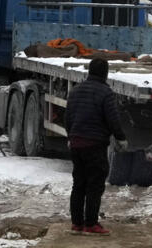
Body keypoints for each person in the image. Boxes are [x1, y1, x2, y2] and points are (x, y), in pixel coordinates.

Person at [65, 58, 127, 236]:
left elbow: (68, 116)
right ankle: (91, 224)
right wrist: (120, 138)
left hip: (76, 144)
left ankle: (77, 223)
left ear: (89, 71)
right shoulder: (105, 93)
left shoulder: (75, 91)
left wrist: (71, 136)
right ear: (105, 73)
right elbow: (112, 118)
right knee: (95, 184)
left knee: (79, 184)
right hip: (94, 144)